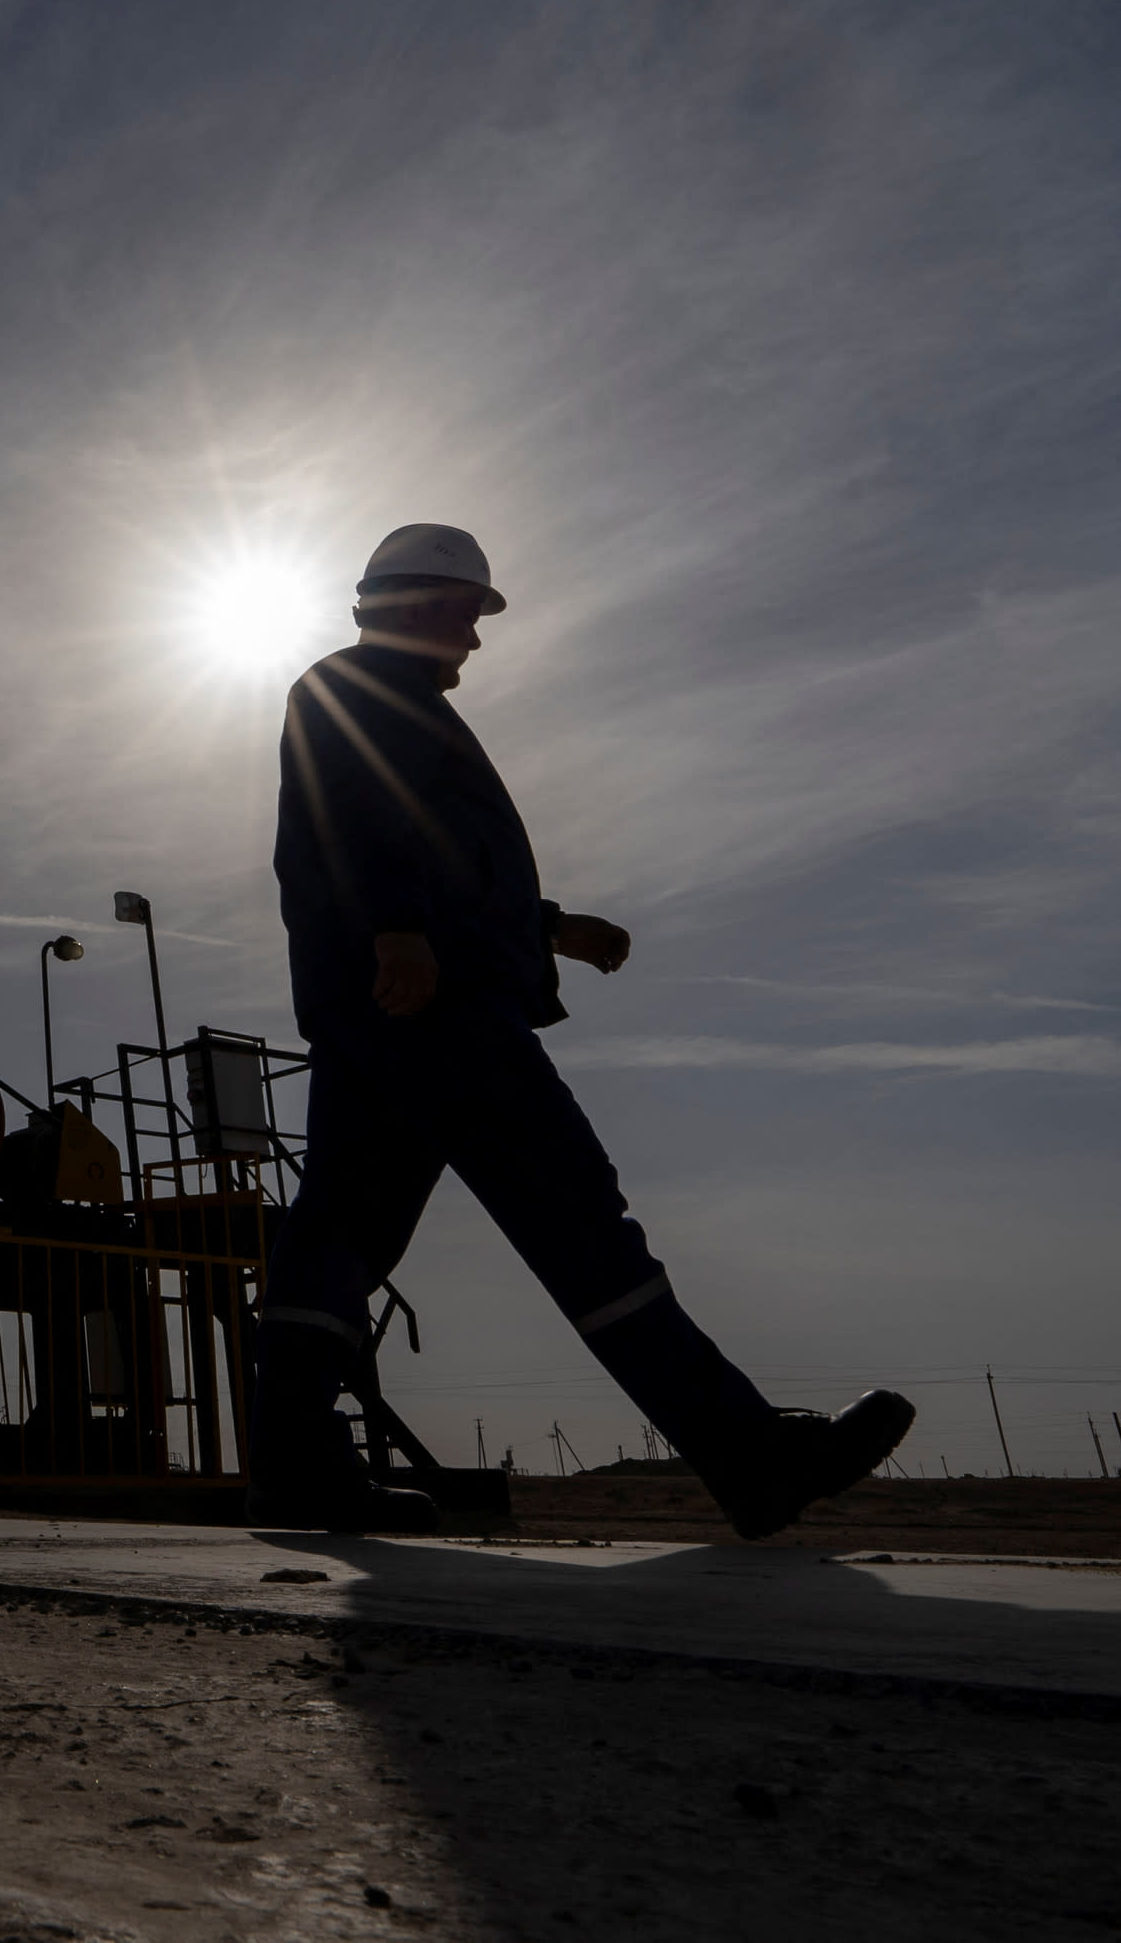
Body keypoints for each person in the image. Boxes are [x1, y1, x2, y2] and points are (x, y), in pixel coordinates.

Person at [254, 522, 913, 1536]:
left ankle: (294, 1464)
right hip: (439, 1013)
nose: (475, 640)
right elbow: (362, 817)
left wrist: (550, 927)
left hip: (380, 1015)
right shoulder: (360, 694)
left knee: (340, 1232)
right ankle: (752, 1458)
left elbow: (439, 859)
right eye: (470, 617)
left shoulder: (381, 702)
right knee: (576, 1218)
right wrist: (397, 930)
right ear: (427, 605)